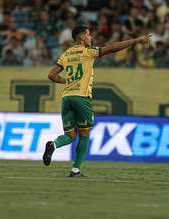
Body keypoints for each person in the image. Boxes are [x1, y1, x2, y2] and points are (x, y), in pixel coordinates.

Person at [43, 24, 151, 177]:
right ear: (82, 37)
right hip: (82, 97)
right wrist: (135, 41)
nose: (91, 37)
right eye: (88, 35)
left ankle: (53, 145)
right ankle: (75, 170)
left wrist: (66, 81)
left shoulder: (66, 54)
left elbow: (51, 75)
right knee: (84, 133)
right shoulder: (88, 52)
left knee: (70, 136)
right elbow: (113, 48)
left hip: (66, 98)